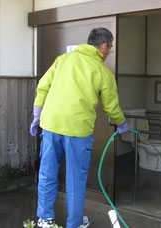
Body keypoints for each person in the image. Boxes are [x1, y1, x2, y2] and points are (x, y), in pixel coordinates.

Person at [30, 27, 129, 228]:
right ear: (103, 46)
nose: (109, 51)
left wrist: (37, 116)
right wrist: (122, 123)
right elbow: (111, 106)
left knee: (47, 173)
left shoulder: (63, 60)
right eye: (110, 47)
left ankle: (45, 219)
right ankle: (74, 224)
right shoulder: (102, 71)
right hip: (78, 131)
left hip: (50, 125)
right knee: (75, 179)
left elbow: (43, 86)